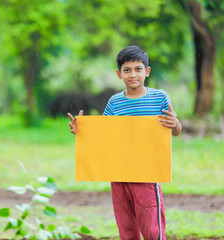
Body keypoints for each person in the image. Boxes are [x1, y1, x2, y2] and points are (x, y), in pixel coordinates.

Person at [67, 45, 182, 240]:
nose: (133, 75)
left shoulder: (159, 97)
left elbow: (176, 131)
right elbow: (105, 136)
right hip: (118, 173)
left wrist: (175, 123)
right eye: (127, 70)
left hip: (147, 173)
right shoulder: (115, 102)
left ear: (147, 71)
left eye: (138, 69)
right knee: (126, 227)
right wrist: (82, 131)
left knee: (152, 229)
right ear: (119, 74)